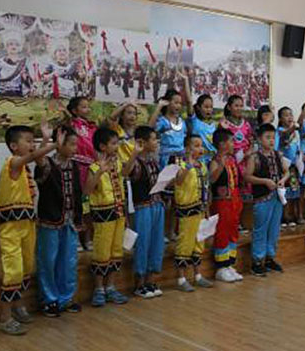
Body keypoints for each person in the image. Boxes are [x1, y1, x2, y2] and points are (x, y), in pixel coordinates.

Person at [0, 125, 59, 335]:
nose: (32, 145)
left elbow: (34, 155)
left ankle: (18, 304)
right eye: (28, 141)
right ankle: (5, 317)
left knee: (26, 267)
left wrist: (45, 139)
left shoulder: (23, 167)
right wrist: (54, 145)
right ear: (14, 146)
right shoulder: (12, 163)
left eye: (33, 141)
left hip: (27, 224)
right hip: (11, 227)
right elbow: (33, 156)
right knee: (13, 270)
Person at [34, 125, 83, 317]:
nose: (75, 149)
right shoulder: (48, 163)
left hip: (69, 221)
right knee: (48, 261)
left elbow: (78, 193)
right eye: (71, 144)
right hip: (50, 220)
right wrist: (48, 141)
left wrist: (78, 218)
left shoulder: (74, 165)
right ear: (60, 144)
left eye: (76, 145)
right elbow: (38, 158)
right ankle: (49, 300)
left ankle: (66, 298)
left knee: (68, 261)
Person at [84, 127, 133, 308]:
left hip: (118, 213)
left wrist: (134, 154)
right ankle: (99, 289)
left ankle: (111, 287)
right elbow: (87, 190)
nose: (117, 146)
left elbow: (126, 173)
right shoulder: (94, 167)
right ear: (102, 146)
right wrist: (99, 172)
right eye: (113, 143)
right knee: (102, 252)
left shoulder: (118, 164)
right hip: (103, 215)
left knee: (116, 252)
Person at [245, 123, 289, 276]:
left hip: (277, 197)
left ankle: (270, 258)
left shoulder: (278, 155)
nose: (271, 140)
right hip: (262, 198)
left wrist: (283, 180)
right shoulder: (254, 157)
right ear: (259, 139)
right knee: (261, 229)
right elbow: (247, 176)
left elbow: (287, 171)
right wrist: (264, 181)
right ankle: (257, 261)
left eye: (273, 137)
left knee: (274, 229)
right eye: (267, 137)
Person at [128, 126, 166, 298]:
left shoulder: (153, 162)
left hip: (157, 205)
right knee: (143, 244)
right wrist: (134, 153)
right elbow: (125, 173)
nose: (156, 142)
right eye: (153, 139)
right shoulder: (136, 162)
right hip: (143, 207)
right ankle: (139, 283)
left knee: (156, 244)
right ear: (142, 142)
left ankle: (150, 280)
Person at [174, 134, 213, 292]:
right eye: (196, 146)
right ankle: (181, 278)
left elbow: (206, 187)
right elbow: (178, 181)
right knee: (185, 243)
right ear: (187, 148)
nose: (200, 149)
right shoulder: (180, 164)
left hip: (200, 209)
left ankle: (197, 275)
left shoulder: (202, 165)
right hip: (187, 210)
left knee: (198, 243)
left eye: (201, 145)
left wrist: (207, 208)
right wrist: (188, 166)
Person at [209, 128, 244, 283]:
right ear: (222, 144)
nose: (233, 144)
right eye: (231, 141)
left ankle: (229, 264)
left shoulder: (232, 160)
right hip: (222, 202)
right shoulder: (215, 161)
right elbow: (211, 180)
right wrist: (220, 167)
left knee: (233, 231)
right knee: (222, 232)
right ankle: (221, 267)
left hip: (234, 200)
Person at [66, 96, 97, 251]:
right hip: (76, 167)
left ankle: (88, 238)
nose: (87, 109)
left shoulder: (92, 127)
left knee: (89, 205)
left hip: (91, 168)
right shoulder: (72, 125)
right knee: (76, 204)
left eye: (88, 106)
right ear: (74, 110)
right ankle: (76, 239)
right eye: (83, 107)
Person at [220, 94, 254, 188]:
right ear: (229, 107)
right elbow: (221, 142)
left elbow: (251, 140)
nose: (239, 108)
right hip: (231, 159)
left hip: (246, 160)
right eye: (236, 106)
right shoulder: (224, 123)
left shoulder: (246, 124)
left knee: (247, 185)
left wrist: (249, 151)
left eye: (241, 106)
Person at [276, 106, 301, 228]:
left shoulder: (296, 133)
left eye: (291, 114)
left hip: (294, 166)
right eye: (286, 115)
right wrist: (292, 128)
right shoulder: (279, 131)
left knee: (293, 191)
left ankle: (291, 215)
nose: (289, 117)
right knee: (283, 192)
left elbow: (298, 148)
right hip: (283, 166)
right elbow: (285, 136)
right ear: (280, 119)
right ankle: (283, 216)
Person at [0, 29, 32, 97]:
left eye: (17, 45)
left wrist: (25, 78)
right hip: (1, 95)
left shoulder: (23, 64)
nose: (14, 46)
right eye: (11, 44)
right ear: (6, 47)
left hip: (17, 95)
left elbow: (29, 84)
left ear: (19, 48)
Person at [149, 88, 187, 169]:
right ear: (167, 103)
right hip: (167, 159)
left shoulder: (182, 122)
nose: (178, 105)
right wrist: (159, 107)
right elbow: (149, 128)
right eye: (176, 103)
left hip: (181, 158)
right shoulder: (163, 121)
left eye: (180, 103)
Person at [186, 91, 217, 165]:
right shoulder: (194, 121)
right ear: (198, 107)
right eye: (206, 107)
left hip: (212, 160)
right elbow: (189, 102)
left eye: (211, 107)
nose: (209, 109)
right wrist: (185, 83)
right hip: (199, 160)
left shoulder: (214, 124)